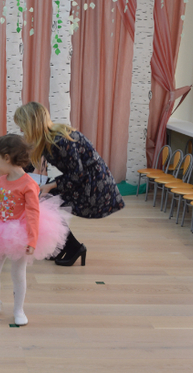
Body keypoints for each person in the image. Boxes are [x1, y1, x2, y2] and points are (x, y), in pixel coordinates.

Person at [0, 134, 70, 326]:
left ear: (7, 158)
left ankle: (18, 310)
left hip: (20, 233)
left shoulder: (29, 184)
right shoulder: (1, 181)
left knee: (18, 272)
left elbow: (33, 214)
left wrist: (32, 239)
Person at [14, 101, 125, 267]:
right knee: (45, 201)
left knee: (46, 202)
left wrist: (50, 185)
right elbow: (28, 165)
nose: (21, 131)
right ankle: (63, 247)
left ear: (31, 124)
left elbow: (77, 174)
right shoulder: (45, 138)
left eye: (22, 126)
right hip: (82, 179)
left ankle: (74, 248)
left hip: (93, 184)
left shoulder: (60, 140)